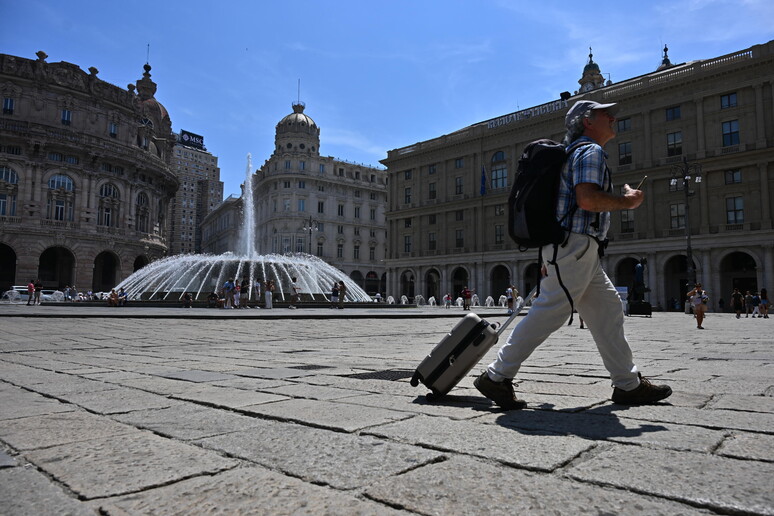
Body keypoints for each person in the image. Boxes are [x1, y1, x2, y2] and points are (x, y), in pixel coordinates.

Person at [474, 100, 672, 409]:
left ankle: (628, 384)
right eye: (607, 113)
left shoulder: (577, 151)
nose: (613, 117)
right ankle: (497, 376)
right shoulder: (589, 151)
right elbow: (588, 199)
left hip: (577, 248)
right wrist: (627, 202)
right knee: (549, 311)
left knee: (607, 311)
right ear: (588, 121)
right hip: (575, 245)